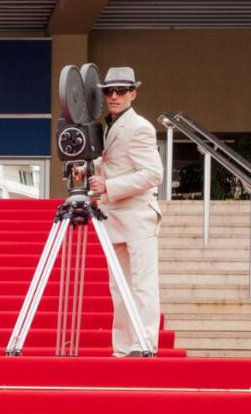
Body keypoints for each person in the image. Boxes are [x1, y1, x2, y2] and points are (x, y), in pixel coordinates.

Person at [88, 66, 164, 357]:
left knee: (142, 284)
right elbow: (112, 166)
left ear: (134, 93)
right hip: (114, 217)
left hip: (137, 216)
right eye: (109, 91)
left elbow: (153, 174)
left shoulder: (139, 127)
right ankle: (123, 347)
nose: (114, 96)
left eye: (121, 91)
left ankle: (144, 343)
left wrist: (110, 185)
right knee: (119, 289)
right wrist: (89, 171)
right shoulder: (109, 126)